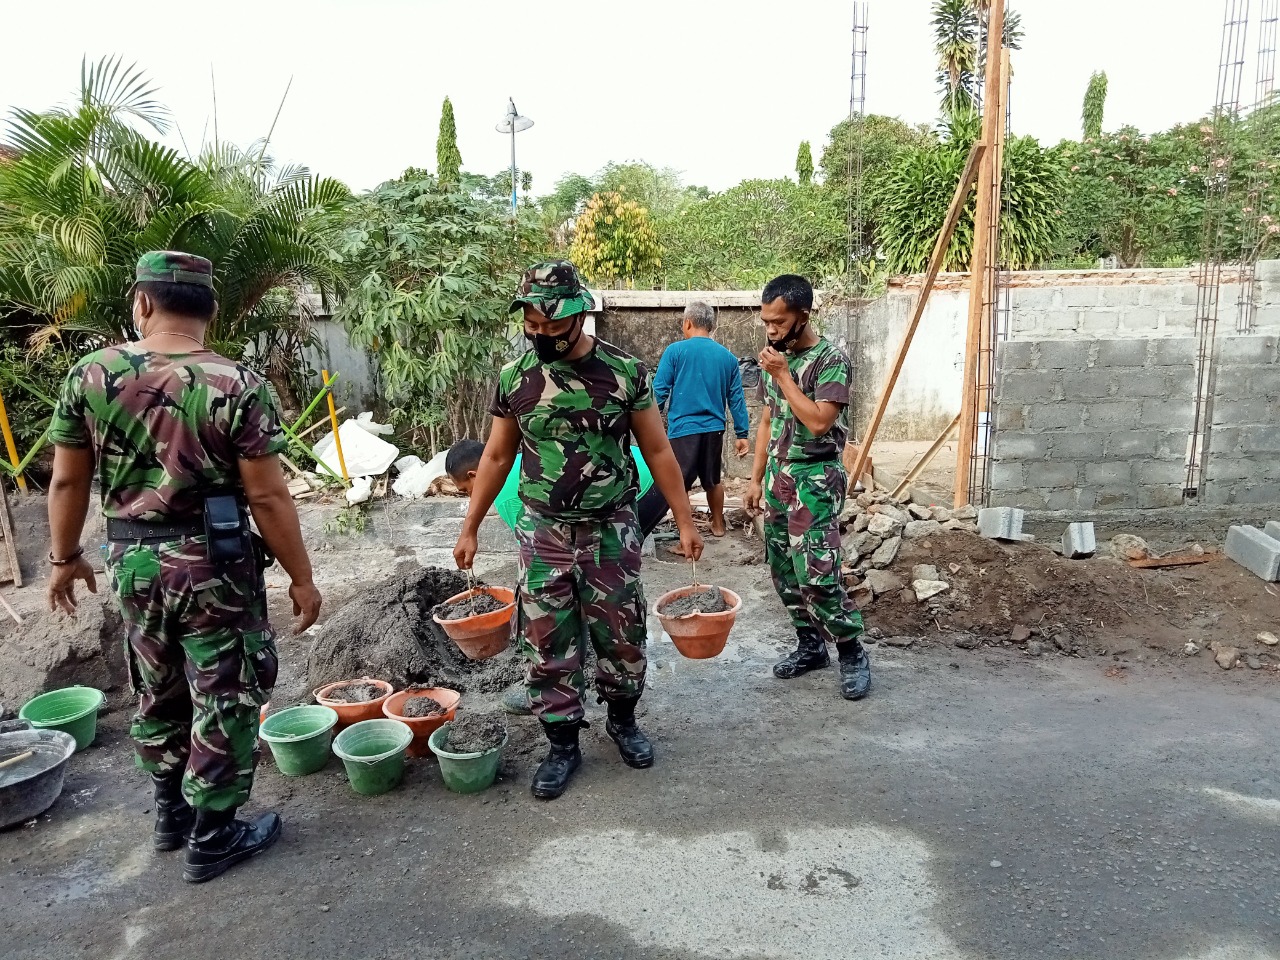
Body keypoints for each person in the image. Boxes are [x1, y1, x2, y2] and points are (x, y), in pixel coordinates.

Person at [45, 251, 323, 883]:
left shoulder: (90, 374)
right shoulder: (235, 384)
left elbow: (66, 481)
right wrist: (300, 578)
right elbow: (268, 495)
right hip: (213, 565)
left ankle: (170, 809)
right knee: (224, 689)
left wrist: (63, 558)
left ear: (142, 303)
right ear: (211, 313)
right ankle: (215, 832)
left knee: (156, 682)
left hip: (133, 561)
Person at [453, 260, 704, 800]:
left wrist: (684, 520)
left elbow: (657, 449)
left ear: (578, 316)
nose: (539, 336)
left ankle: (622, 720)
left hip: (611, 528)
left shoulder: (625, 372)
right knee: (547, 639)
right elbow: (496, 455)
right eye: (531, 326)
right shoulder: (515, 378)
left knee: (621, 633)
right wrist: (470, 526)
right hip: (542, 532)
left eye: (550, 326)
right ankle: (562, 742)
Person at [743, 274, 871, 701]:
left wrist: (783, 376)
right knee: (783, 570)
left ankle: (851, 651)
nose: (771, 330)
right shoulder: (775, 357)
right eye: (766, 322)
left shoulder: (829, 359)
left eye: (778, 322)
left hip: (815, 480)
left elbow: (819, 421)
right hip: (779, 479)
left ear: (803, 315)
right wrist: (755, 478)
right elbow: (767, 419)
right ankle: (810, 644)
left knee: (818, 573)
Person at [636, 302, 751, 539]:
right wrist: (742, 434)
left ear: (687, 323)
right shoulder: (727, 358)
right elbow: (737, 399)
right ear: (711, 326)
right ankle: (718, 525)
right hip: (714, 429)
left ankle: (685, 536)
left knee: (678, 482)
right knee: (713, 480)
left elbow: (658, 391)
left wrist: (646, 426)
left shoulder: (676, 351)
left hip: (683, 430)